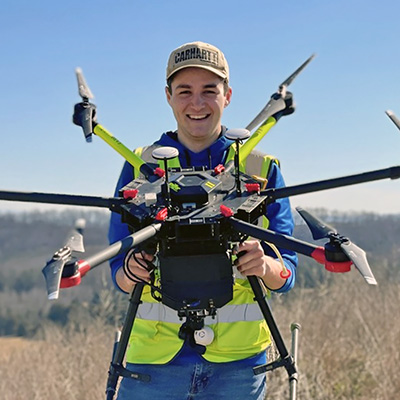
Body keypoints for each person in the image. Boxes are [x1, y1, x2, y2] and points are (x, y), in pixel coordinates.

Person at [107, 41, 298, 400]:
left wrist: (266, 266)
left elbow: (288, 271)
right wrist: (129, 270)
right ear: (168, 96)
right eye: (185, 91)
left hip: (240, 367)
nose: (197, 103)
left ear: (227, 96)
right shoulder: (139, 165)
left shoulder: (262, 169)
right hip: (152, 366)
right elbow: (117, 266)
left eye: (209, 91)